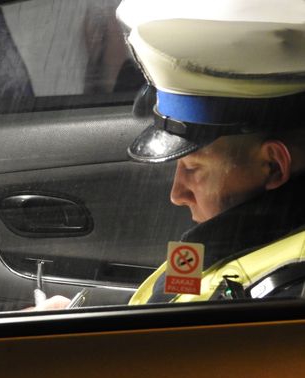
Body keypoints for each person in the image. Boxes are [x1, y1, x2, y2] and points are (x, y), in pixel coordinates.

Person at [32, 13, 305, 309]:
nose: (177, 195)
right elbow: (167, 308)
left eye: (193, 167)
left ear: (273, 166)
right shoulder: (228, 240)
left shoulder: (288, 290)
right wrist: (77, 318)